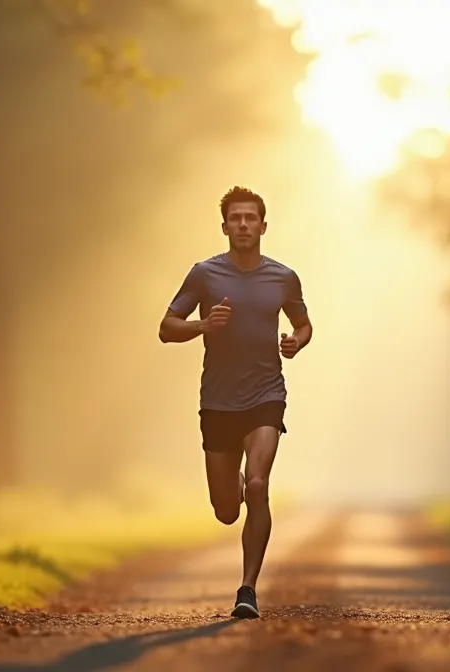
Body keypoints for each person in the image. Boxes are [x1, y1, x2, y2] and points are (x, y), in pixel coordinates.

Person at [158, 186, 312, 619]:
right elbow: (167, 327)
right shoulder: (204, 274)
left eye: (251, 218)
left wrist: (294, 342)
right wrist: (204, 324)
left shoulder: (283, 277)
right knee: (227, 510)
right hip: (219, 401)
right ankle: (239, 484)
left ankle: (247, 590)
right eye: (235, 218)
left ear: (264, 226)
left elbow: (303, 324)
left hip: (266, 394)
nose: (243, 225)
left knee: (259, 485)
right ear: (224, 226)